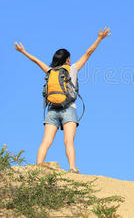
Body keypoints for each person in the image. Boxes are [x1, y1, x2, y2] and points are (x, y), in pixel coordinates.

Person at [14, 27, 111, 173]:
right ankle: (72, 168)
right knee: (68, 141)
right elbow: (88, 53)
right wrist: (99, 38)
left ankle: (37, 166)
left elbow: (36, 61)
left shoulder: (50, 71)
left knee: (46, 141)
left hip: (52, 110)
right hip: (69, 109)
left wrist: (23, 52)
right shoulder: (72, 69)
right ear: (67, 59)